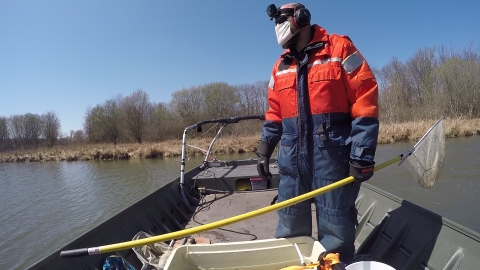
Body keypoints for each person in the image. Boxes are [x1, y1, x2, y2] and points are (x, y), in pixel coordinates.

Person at [256, 3, 379, 265]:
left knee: (336, 229)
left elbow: (365, 99)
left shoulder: (339, 49)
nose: (278, 27)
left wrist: (362, 155)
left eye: (281, 20)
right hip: (291, 163)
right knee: (289, 226)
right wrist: (264, 149)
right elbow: (274, 111)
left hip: (332, 160)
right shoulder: (279, 67)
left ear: (300, 18)